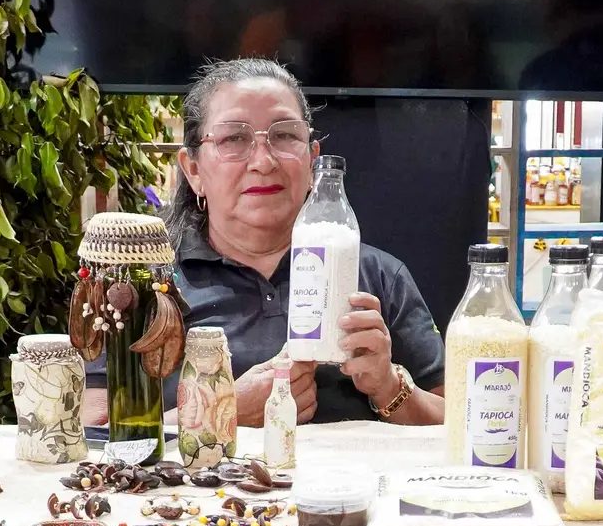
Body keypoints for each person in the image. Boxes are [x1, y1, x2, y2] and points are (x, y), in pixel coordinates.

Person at [166, 56, 446, 428]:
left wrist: (388, 386)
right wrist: (220, 411)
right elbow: (98, 432)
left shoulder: (376, 275)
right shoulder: (154, 284)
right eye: (234, 138)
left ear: (312, 160)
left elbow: (460, 424)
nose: (263, 161)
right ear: (193, 170)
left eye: (284, 135)